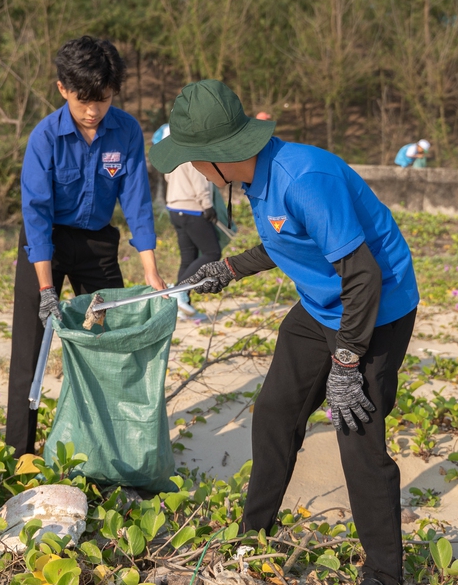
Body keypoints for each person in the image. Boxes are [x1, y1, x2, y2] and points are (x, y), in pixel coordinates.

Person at [150, 80, 419, 585]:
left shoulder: (301, 178)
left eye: (191, 158)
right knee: (275, 411)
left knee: (357, 440)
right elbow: (288, 239)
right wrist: (230, 269)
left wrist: (347, 364)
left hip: (373, 312)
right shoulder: (257, 178)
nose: (190, 168)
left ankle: (385, 575)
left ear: (218, 157)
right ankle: (253, 536)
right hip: (321, 306)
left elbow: (364, 274)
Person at [7, 36, 166, 457]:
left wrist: (150, 270)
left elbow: (136, 201)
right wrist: (45, 289)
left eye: (104, 99)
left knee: (109, 342)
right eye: (83, 101)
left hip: (97, 244)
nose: (93, 111)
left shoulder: (127, 131)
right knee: (30, 348)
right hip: (46, 246)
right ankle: (18, 454)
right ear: (62, 88)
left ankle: (108, 448)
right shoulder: (45, 137)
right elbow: (35, 213)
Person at [158, 128, 222, 317]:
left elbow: (169, 178)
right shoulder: (192, 152)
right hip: (191, 208)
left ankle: (181, 305)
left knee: (188, 257)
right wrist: (208, 205)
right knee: (212, 252)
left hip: (175, 209)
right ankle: (179, 291)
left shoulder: (171, 156)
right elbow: (198, 181)